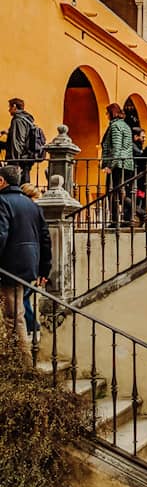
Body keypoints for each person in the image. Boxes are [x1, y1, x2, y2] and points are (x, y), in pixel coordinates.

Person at [0, 165, 51, 360]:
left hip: (9, 266)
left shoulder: (2, 202)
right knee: (16, 314)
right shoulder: (32, 205)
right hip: (26, 264)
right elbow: (45, 238)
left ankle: (23, 364)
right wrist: (44, 269)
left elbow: (1, 235)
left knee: (14, 317)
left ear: (2, 181)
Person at [101, 103, 135, 228]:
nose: (106, 116)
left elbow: (116, 147)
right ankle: (132, 214)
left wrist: (110, 165)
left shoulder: (115, 126)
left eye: (107, 113)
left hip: (118, 164)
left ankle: (116, 220)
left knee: (113, 193)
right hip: (127, 164)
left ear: (111, 113)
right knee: (120, 192)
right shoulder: (125, 126)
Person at [20, 183, 42, 339]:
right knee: (23, 296)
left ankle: (32, 325)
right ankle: (32, 325)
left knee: (23, 296)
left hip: (27, 261)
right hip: (31, 260)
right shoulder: (34, 211)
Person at [0, 97, 37, 184]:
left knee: (18, 185)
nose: (9, 110)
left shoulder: (18, 120)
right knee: (24, 186)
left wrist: (14, 162)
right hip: (25, 158)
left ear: (15, 106)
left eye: (10, 107)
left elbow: (18, 142)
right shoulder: (27, 119)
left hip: (19, 160)